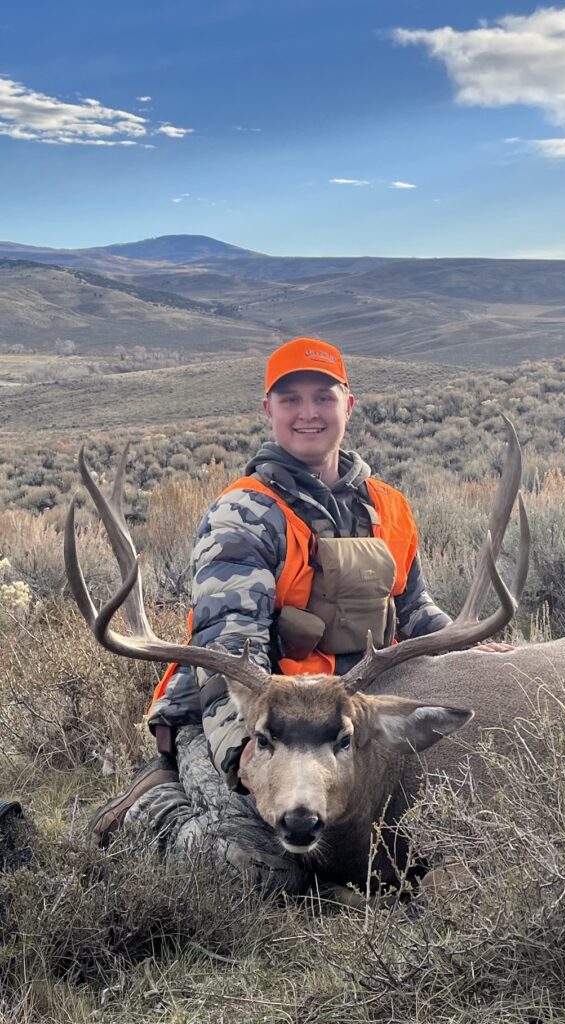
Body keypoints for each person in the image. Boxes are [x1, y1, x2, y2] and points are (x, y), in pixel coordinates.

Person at [88, 337, 509, 891]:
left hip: (344, 719)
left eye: (323, 398)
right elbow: (224, 660)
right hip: (255, 720)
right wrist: (246, 754)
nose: (308, 413)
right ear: (269, 409)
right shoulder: (244, 514)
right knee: (259, 870)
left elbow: (413, 609)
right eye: (291, 400)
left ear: (348, 406)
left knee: (414, 832)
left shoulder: (389, 505)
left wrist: (466, 644)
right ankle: (151, 806)